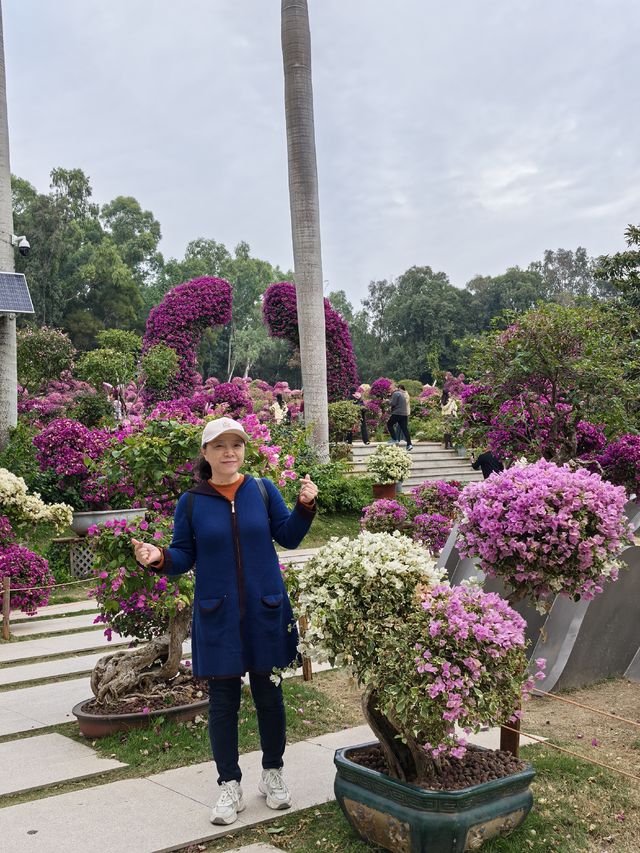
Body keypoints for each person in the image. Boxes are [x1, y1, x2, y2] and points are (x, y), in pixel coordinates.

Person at [131, 416, 318, 827]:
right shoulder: (192, 502)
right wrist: (159, 558)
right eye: (219, 446)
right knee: (223, 701)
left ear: (244, 450)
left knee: (269, 696)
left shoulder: (262, 490)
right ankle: (228, 785)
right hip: (217, 614)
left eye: (235, 444)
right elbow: (183, 555)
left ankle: (273, 774)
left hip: (265, 609)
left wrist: (304, 506)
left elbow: (287, 536)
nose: (228, 452)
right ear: (206, 453)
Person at [387, 384, 412, 450]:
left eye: (389, 389)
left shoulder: (395, 394)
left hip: (397, 413)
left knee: (389, 424)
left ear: (393, 388)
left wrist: (387, 401)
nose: (389, 391)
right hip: (404, 414)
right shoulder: (401, 394)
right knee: (404, 429)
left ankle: (395, 439)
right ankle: (409, 444)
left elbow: (393, 403)